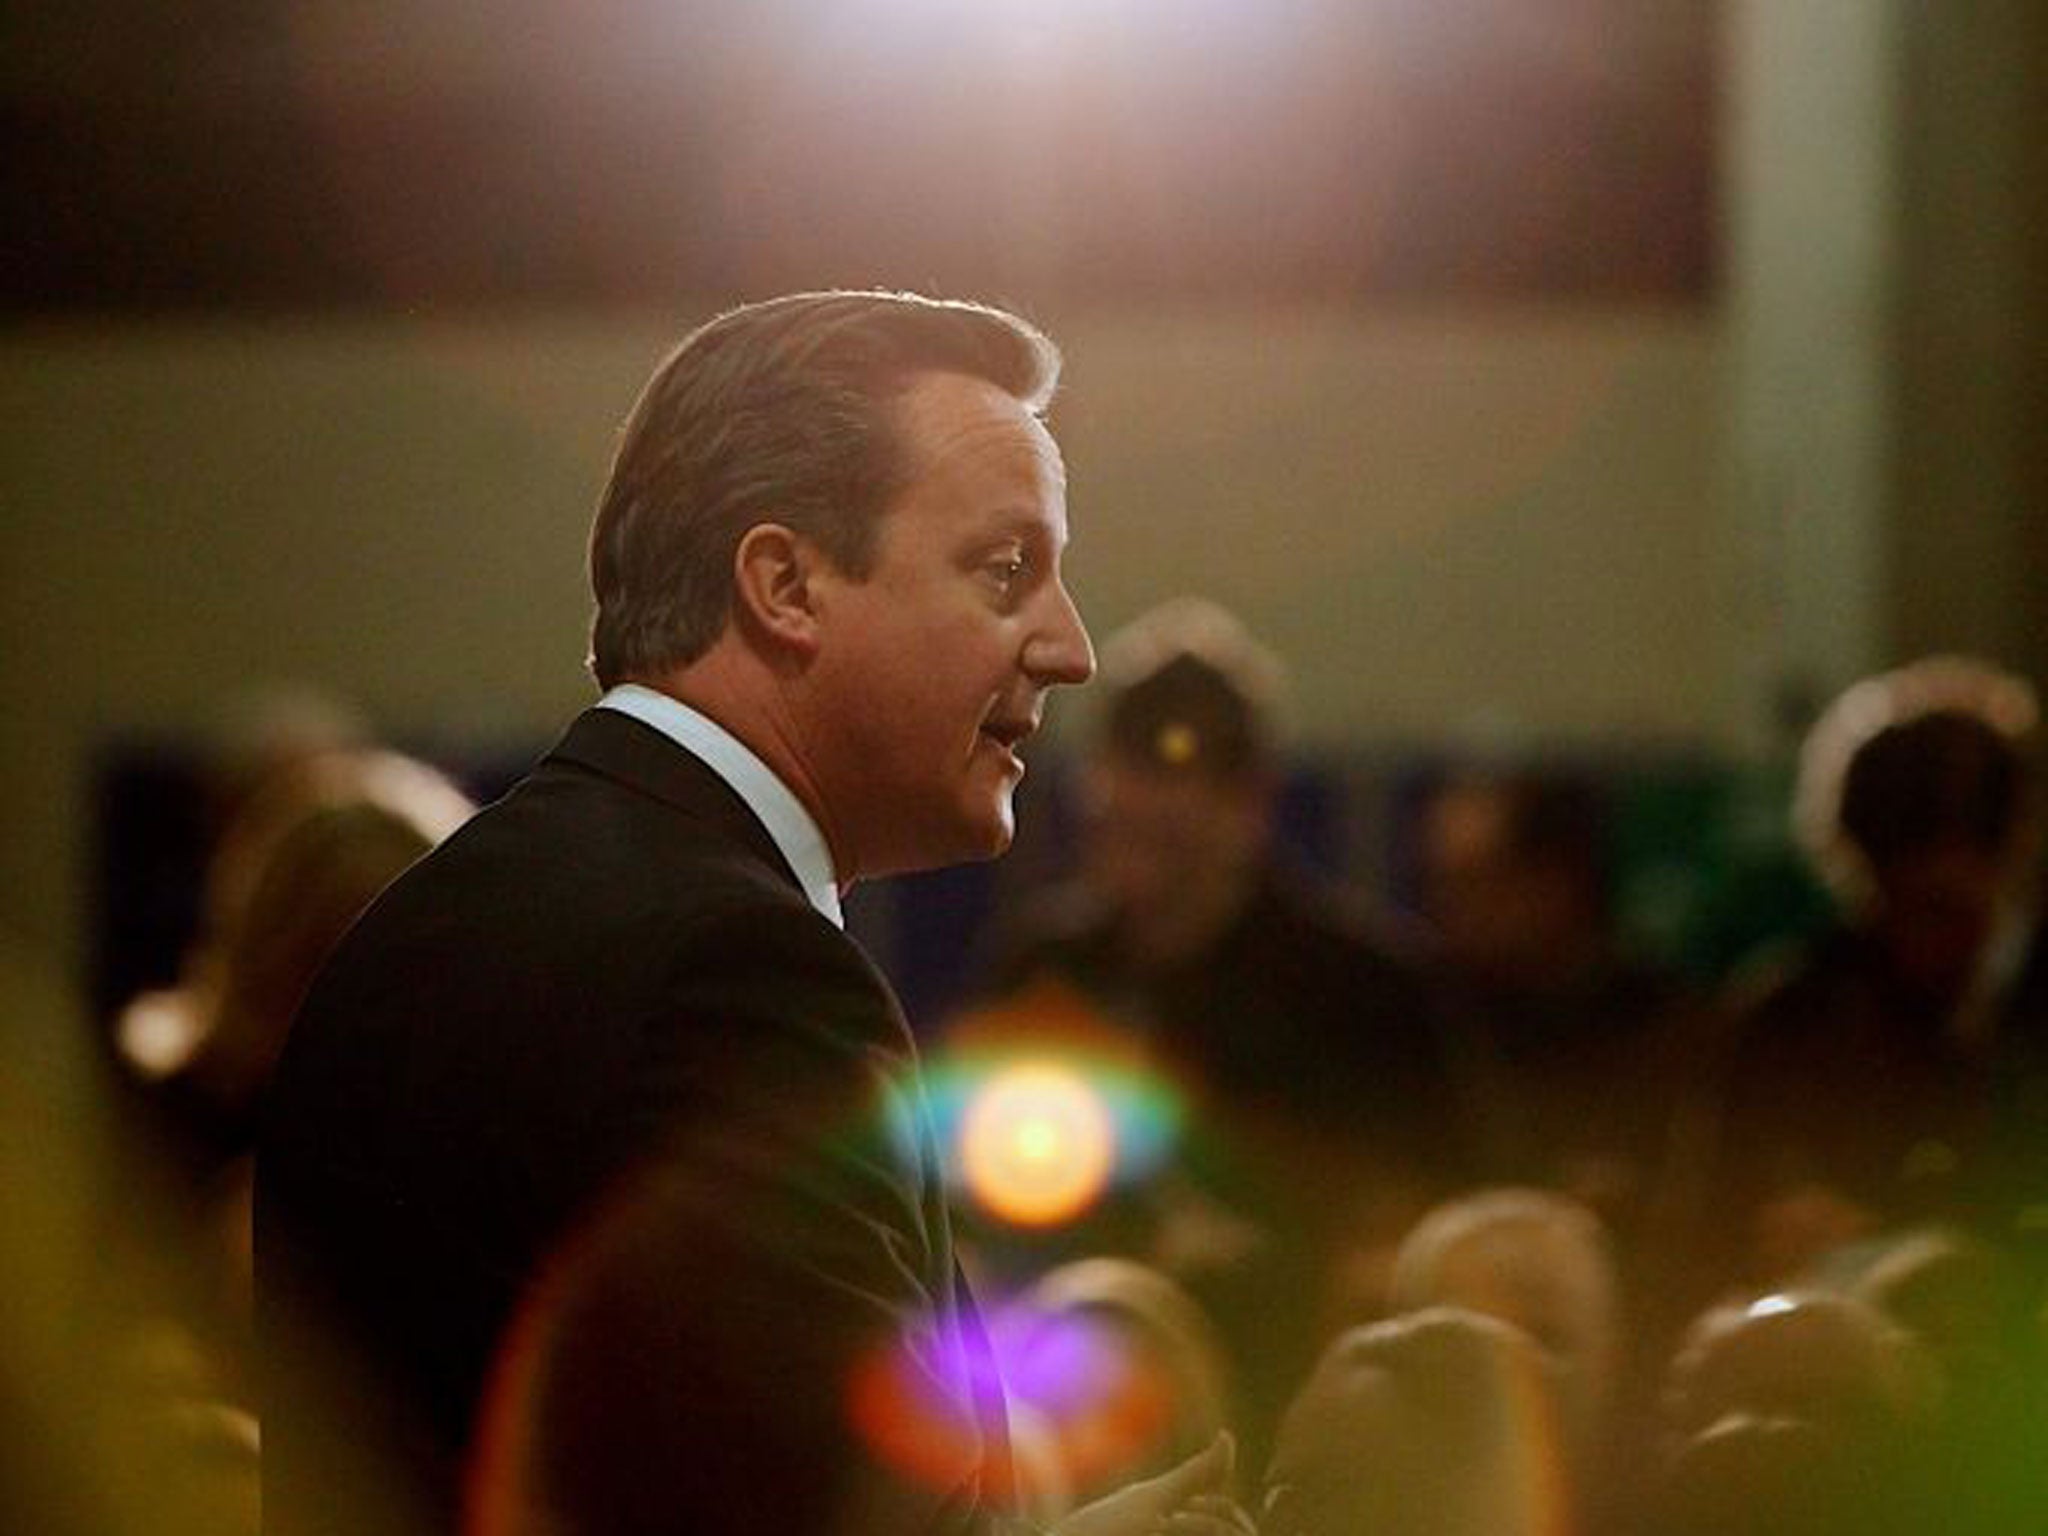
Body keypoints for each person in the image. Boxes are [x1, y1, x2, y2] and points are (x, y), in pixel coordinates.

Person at [255, 292, 1248, 1536]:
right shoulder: (742, 972)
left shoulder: (421, 924)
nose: (1071, 646)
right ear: (784, 584)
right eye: (1006, 570)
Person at [970, 598, 1466, 1466]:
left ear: (1252, 804)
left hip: (1303, 1422)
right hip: (1073, 1426)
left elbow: (1437, 1230)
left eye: (1174, 794)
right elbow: (971, 1205)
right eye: (1123, 783)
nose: (1136, 810)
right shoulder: (1046, 974)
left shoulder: (1369, 994)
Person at [1704, 657, 2048, 1286]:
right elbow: (1697, 1247)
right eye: (1904, 906)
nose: (1932, 943)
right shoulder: (1788, 1024)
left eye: (1954, 909)